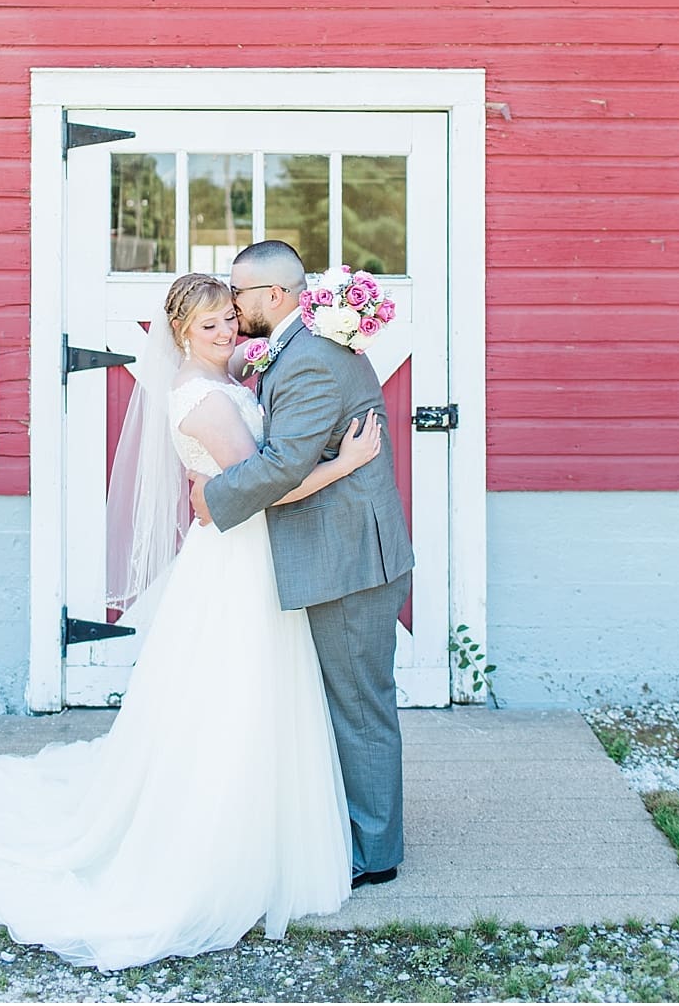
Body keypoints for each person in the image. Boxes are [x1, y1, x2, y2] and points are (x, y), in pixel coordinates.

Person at [0, 273, 383, 968]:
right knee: (234, 697)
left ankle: (267, 827)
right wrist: (346, 462)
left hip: (246, 557)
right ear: (180, 331)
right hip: (235, 562)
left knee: (253, 696)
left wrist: (255, 366)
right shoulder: (199, 394)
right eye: (209, 324)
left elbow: (244, 438)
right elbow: (263, 485)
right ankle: (220, 843)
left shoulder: (222, 374)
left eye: (229, 320)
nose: (225, 333)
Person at [193, 239, 416, 889]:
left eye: (238, 292)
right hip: (336, 550)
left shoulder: (310, 359)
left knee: (358, 704)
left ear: (274, 295)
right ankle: (351, 826)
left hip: (347, 559)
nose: (231, 305)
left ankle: (374, 852)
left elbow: (286, 461)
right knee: (342, 702)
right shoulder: (294, 349)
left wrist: (212, 497)